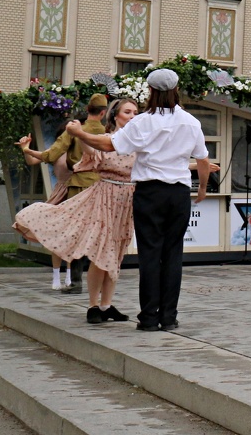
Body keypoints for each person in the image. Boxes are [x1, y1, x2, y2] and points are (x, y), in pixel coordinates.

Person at [68, 69, 215, 332]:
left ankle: (148, 317)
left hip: (149, 192)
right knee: (173, 254)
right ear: (176, 90)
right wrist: (202, 187)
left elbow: (108, 145)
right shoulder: (191, 121)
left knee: (150, 254)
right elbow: (202, 159)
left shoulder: (143, 122)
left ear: (151, 91)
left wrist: (80, 134)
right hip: (179, 192)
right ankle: (168, 317)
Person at [17, 99, 145, 324]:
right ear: (115, 115)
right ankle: (93, 305)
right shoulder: (106, 139)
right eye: (127, 112)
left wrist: (195, 165)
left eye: (135, 112)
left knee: (116, 253)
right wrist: (79, 134)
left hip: (127, 201)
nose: (133, 116)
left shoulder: (141, 143)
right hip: (104, 197)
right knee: (102, 251)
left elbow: (161, 164)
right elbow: (89, 150)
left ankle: (106, 305)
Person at [41, 95, 108, 294]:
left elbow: (52, 154)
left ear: (87, 109)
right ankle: (99, 283)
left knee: (77, 233)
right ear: (103, 113)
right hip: (103, 188)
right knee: (100, 235)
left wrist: (32, 152)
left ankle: (76, 281)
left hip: (78, 186)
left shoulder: (73, 130)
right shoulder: (108, 133)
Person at [17, 129, 73, 289]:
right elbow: (32, 160)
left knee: (72, 237)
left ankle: (70, 276)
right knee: (57, 236)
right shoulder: (56, 151)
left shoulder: (81, 149)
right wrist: (25, 148)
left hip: (77, 193)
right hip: (60, 194)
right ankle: (56, 276)